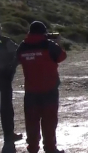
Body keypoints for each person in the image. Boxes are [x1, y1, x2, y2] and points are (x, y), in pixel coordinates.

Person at [16, 21, 66, 153]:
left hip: (31, 91)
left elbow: (18, 59)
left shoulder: (23, 46)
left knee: (31, 122)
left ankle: (32, 149)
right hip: (49, 90)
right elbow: (62, 56)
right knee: (49, 122)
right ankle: (50, 148)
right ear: (44, 33)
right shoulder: (49, 45)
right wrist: (58, 43)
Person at [0, 20, 23, 144]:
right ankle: (9, 135)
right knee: (6, 107)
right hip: (3, 78)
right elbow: (19, 55)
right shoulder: (6, 41)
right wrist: (11, 68)